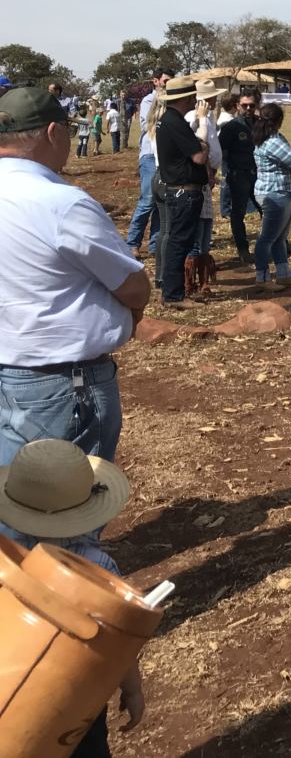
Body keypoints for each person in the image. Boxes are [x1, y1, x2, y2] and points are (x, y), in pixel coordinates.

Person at [0, 87, 149, 476]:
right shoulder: (62, 203)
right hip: (66, 382)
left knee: (18, 491)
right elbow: (133, 286)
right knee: (71, 503)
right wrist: (133, 314)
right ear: (53, 133)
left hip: (9, 368)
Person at [0, 439, 146, 754]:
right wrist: (131, 687)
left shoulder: (7, 561)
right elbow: (115, 641)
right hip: (76, 696)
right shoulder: (97, 569)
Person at [152, 76, 209, 307]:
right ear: (186, 97)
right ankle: (173, 295)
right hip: (183, 192)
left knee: (175, 239)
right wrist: (203, 132)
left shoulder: (167, 120)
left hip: (176, 189)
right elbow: (199, 156)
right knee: (179, 242)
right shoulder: (175, 122)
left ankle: (171, 290)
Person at [251, 103, 291, 291]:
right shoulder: (274, 141)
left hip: (276, 191)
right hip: (276, 192)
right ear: (279, 121)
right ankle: (262, 277)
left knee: (279, 237)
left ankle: (283, 275)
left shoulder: (266, 138)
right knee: (268, 238)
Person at [124, 69, 172, 260]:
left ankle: (155, 244)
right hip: (150, 154)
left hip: (165, 154)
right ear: (156, 81)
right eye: (166, 81)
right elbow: (146, 125)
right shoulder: (148, 101)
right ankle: (132, 243)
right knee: (148, 200)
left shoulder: (170, 100)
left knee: (162, 199)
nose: (168, 84)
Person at [185, 81, 226, 295]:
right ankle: (192, 281)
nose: (213, 100)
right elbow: (198, 147)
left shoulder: (208, 118)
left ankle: (202, 280)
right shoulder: (193, 119)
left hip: (207, 177)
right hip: (198, 177)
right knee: (197, 227)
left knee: (205, 227)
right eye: (211, 97)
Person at [219, 91, 260, 266]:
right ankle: (243, 250)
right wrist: (228, 174)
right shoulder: (231, 127)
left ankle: (280, 244)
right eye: (245, 105)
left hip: (259, 174)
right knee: (238, 213)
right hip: (238, 175)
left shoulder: (260, 124)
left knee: (267, 209)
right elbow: (222, 152)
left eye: (252, 105)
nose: (248, 108)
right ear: (237, 106)